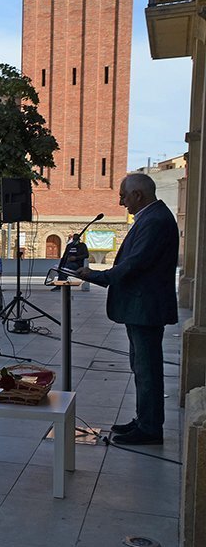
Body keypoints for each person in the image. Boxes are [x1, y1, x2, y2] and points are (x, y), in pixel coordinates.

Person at [77, 173, 179, 445]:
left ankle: (149, 428)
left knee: (147, 369)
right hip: (141, 307)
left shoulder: (155, 220)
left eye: (123, 196)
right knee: (140, 366)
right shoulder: (151, 216)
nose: (121, 202)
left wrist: (96, 276)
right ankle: (143, 419)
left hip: (145, 307)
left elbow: (135, 263)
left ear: (138, 195)